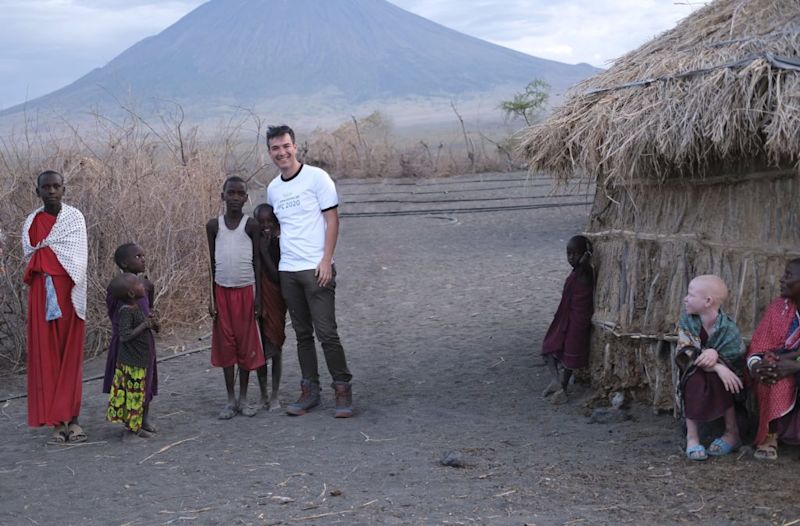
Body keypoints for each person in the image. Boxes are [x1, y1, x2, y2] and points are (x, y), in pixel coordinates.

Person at [265, 124, 353, 418]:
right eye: (275, 148)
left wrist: (326, 260)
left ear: (295, 147)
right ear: (270, 152)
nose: (282, 152)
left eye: (286, 146)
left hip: (316, 269)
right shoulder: (273, 188)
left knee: (327, 332)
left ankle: (342, 390)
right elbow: (277, 229)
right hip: (288, 270)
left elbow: (332, 221)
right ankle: (309, 391)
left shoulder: (317, 178)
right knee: (302, 335)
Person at [21, 170, 88, 444]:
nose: (51, 191)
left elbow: (78, 260)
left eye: (56, 186)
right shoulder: (32, 222)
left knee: (70, 355)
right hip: (42, 295)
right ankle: (56, 424)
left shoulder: (74, 219)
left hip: (70, 293)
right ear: (37, 191)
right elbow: (32, 256)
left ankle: (73, 420)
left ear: (64, 188)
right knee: (46, 356)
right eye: (45, 187)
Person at [206, 176, 265, 419]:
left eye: (241, 194)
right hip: (222, 292)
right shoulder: (213, 226)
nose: (235, 198)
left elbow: (257, 262)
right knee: (226, 344)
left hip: (245, 291)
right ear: (223, 196)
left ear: (246, 198)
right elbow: (211, 263)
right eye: (231, 193)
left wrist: (259, 297)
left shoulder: (250, 226)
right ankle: (230, 400)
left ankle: (243, 398)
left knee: (245, 344)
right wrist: (211, 297)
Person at [675, 275, 744, 461]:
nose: (685, 298)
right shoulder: (687, 322)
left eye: (690, 294)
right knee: (694, 379)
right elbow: (685, 353)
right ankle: (692, 437)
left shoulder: (728, 328)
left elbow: (735, 357)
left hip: (722, 376)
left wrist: (717, 358)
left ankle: (732, 432)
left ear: (708, 301)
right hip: (694, 372)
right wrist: (718, 367)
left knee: (724, 381)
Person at [747, 258, 800, 460]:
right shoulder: (778, 307)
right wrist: (757, 366)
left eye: (788, 275)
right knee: (772, 376)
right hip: (780, 365)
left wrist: (795, 365)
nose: (781, 280)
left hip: (794, 366)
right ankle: (770, 437)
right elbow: (760, 345)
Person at [103, 243, 158, 433]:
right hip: (127, 346)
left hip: (145, 344)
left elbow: (149, 308)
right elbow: (118, 321)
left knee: (147, 381)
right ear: (124, 263)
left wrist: (152, 318)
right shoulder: (120, 288)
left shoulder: (144, 285)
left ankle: (144, 418)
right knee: (131, 384)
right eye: (137, 256)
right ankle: (132, 424)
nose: (143, 259)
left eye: (143, 255)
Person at [541, 235, 594, 404]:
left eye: (575, 254)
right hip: (567, 317)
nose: (571, 258)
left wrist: (585, 259)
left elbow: (585, 266)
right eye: (568, 253)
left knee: (570, 358)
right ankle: (557, 382)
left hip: (578, 321)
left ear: (584, 255)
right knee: (548, 347)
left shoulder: (585, 271)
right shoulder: (577, 272)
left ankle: (562, 385)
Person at [254, 203, 286, 410]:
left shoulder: (279, 245)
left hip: (276, 300)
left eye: (270, 222)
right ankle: (263, 394)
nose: (266, 226)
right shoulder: (252, 243)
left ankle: (275, 394)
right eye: (261, 222)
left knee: (276, 346)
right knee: (259, 347)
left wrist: (265, 253)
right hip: (257, 300)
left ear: (276, 224)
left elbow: (276, 277)